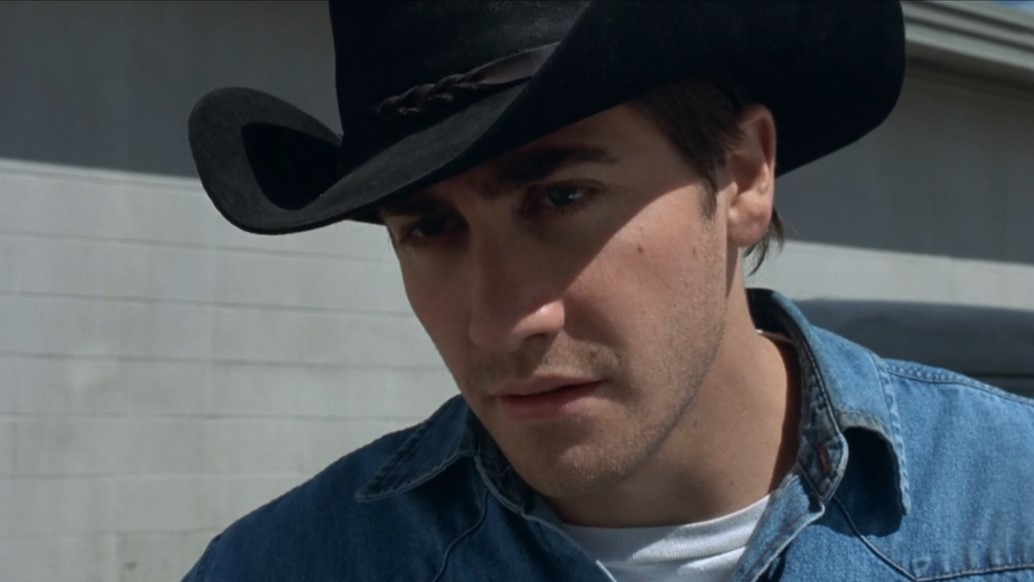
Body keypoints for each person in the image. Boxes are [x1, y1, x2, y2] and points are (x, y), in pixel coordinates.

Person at [184, 2, 1034, 580]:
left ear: (742, 175)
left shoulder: (1010, 505)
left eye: (561, 198)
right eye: (431, 229)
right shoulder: (289, 563)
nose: (500, 321)